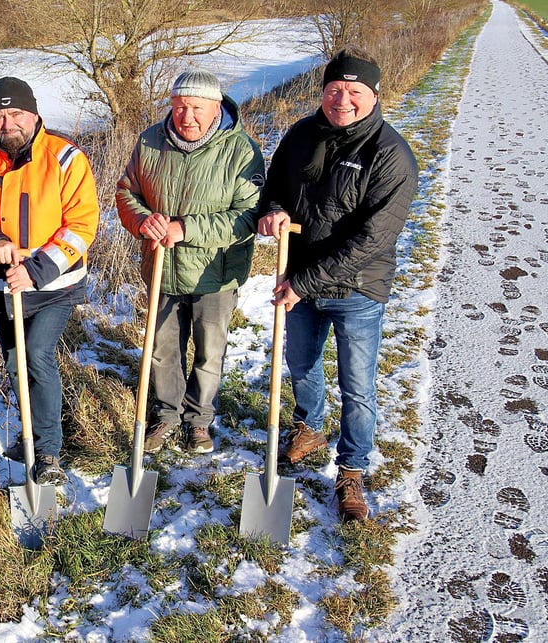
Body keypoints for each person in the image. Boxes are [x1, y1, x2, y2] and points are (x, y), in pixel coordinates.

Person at [256, 46, 419, 522]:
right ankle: (308, 427)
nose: (342, 100)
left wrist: (302, 282)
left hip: (358, 289)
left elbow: (372, 239)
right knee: (302, 365)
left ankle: (352, 467)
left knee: (358, 384)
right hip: (301, 279)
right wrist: (273, 211)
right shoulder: (301, 135)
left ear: (373, 95)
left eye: (353, 91)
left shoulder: (391, 155)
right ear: (322, 91)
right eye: (333, 90)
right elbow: (275, 188)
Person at [0, 77, 99, 485]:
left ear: (33, 114)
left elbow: (82, 225)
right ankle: (29, 432)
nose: (7, 122)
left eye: (15, 113)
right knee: (14, 364)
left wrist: (36, 268)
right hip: (2, 286)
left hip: (54, 285)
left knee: (36, 355)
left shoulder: (65, 157)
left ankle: (48, 450)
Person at [116, 69, 265, 455]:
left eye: (197, 108)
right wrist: (140, 220)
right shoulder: (150, 141)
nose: (187, 117)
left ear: (216, 108)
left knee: (208, 350)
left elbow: (248, 216)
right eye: (180, 107)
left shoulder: (242, 151)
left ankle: (199, 419)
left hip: (215, 273)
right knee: (162, 349)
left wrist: (187, 229)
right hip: (162, 267)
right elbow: (126, 192)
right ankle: (166, 415)